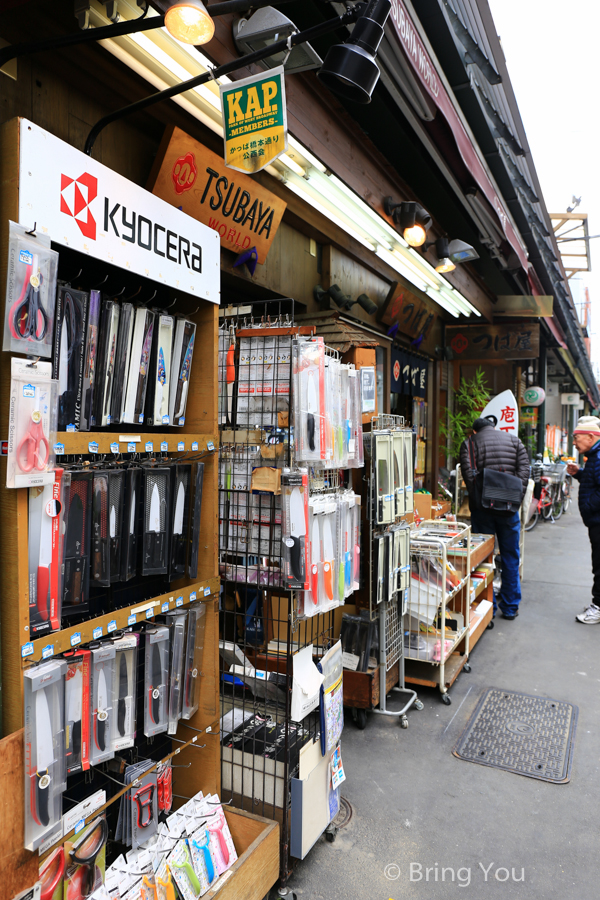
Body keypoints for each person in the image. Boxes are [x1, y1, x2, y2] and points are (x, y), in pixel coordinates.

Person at [460, 417, 530, 619]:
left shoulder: (470, 443)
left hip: (483, 509)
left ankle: (487, 607)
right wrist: (514, 497)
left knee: (484, 556)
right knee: (510, 555)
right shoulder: (514, 441)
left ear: (474, 431)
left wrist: (481, 499)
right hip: (509, 509)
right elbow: (524, 471)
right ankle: (510, 606)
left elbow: (469, 475)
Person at [567, 416, 600, 624]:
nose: (574, 442)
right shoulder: (594, 456)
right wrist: (579, 474)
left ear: (591, 436)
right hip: (596, 520)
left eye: (576, 437)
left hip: (598, 520)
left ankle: (597, 608)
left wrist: (588, 507)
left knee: (599, 565)